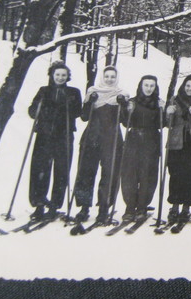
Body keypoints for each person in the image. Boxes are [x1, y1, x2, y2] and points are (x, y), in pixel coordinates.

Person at [27, 61, 82, 220]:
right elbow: (31, 110)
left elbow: (79, 111)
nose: (60, 77)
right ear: (52, 75)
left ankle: (54, 205)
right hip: (44, 135)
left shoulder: (73, 92)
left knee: (61, 170)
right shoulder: (43, 91)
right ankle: (39, 204)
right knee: (40, 169)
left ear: (67, 77)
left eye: (63, 75)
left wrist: (71, 107)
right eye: (57, 74)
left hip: (63, 135)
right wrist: (37, 109)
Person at [73, 65, 129, 224]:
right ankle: (84, 208)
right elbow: (84, 117)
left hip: (112, 139)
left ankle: (104, 208)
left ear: (116, 78)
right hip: (91, 138)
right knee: (85, 173)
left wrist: (123, 104)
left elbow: (125, 121)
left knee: (109, 174)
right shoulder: (93, 92)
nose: (110, 79)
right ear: (102, 77)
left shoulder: (121, 94)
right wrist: (90, 102)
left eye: (113, 77)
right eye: (107, 76)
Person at [120, 75, 165, 222]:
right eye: (146, 85)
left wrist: (163, 111)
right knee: (129, 173)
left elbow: (162, 124)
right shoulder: (132, 102)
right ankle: (129, 206)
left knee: (148, 175)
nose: (149, 88)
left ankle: (142, 207)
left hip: (151, 140)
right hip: (134, 139)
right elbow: (125, 123)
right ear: (141, 86)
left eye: (152, 85)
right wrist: (126, 110)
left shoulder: (158, 103)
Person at [165, 75, 191, 224]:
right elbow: (167, 123)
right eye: (187, 86)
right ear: (183, 86)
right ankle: (175, 207)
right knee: (176, 175)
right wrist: (168, 113)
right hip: (177, 143)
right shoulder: (175, 100)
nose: (190, 89)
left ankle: (186, 208)